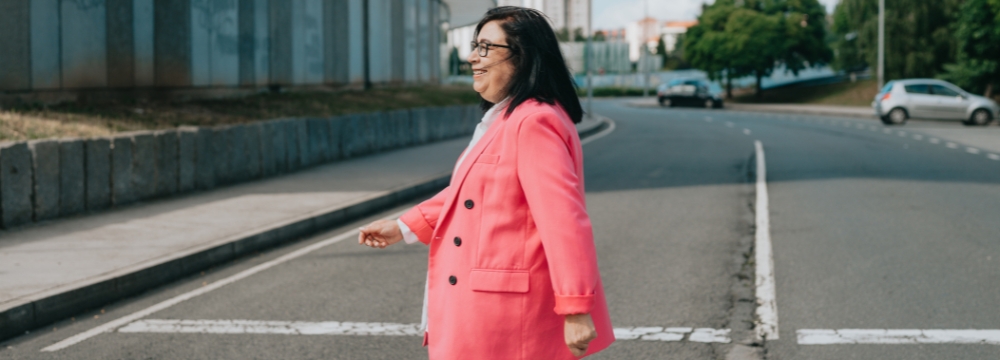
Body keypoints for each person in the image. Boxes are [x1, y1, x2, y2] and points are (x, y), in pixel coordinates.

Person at [357, 6, 614, 359]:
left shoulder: (534, 122)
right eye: (475, 46)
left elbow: (563, 222)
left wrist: (576, 307)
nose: (472, 57)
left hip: (507, 318)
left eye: (486, 48)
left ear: (523, 57)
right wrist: (402, 226)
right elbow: (472, 193)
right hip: (489, 312)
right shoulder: (510, 118)